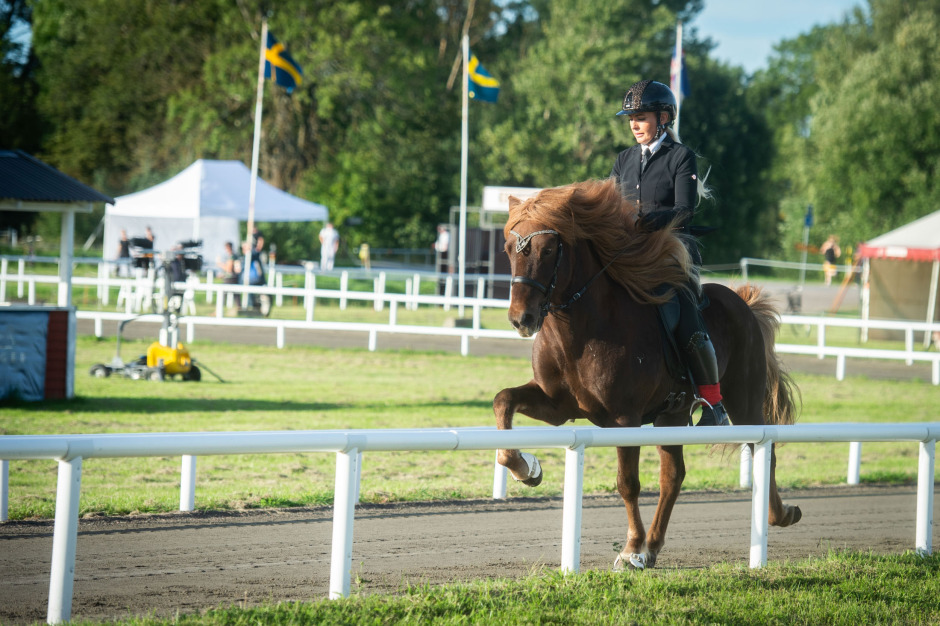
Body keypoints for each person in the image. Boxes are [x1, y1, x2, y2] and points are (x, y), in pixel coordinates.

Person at [609, 79, 728, 427]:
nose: (633, 124)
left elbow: (683, 211)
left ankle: (713, 402)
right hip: (631, 250)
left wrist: (643, 221)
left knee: (684, 306)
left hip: (673, 246)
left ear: (663, 118)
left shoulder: (680, 157)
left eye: (641, 117)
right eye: (630, 118)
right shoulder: (623, 159)